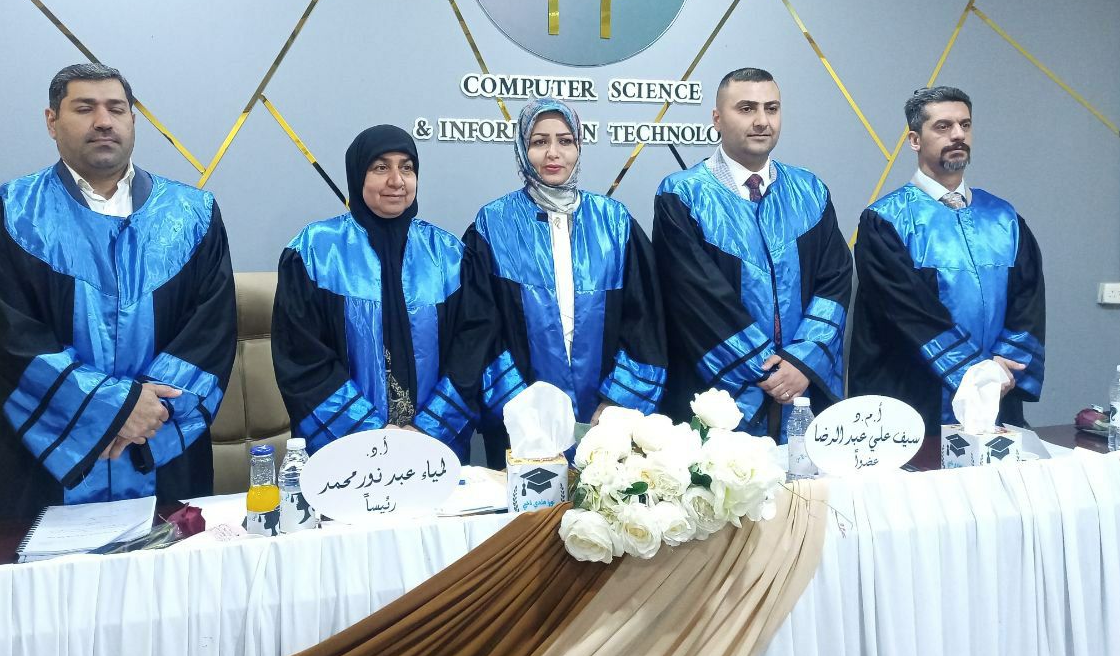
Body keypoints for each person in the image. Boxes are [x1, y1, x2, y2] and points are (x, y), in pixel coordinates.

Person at [0, 63, 236, 520]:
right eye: (84, 108)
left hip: (165, 449)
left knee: (174, 562)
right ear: (52, 121)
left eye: (116, 108)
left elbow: (211, 332)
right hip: (48, 464)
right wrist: (114, 409)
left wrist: (148, 415)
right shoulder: (8, 214)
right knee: (53, 567)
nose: (103, 121)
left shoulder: (193, 214)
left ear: (133, 120)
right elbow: (9, 340)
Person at [463, 99, 666, 468]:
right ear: (522, 149)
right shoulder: (493, 225)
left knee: (601, 501)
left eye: (565, 141)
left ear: (579, 147)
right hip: (521, 421)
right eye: (539, 142)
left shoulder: (614, 222)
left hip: (605, 423)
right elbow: (480, 329)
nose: (553, 153)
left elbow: (644, 323)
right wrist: (523, 408)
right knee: (528, 505)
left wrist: (616, 403)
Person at [653, 67, 852, 440]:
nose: (762, 121)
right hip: (721, 400)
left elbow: (836, 280)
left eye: (771, 108)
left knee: (805, 477)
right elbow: (696, 300)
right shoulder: (683, 195)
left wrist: (802, 361)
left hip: (803, 391)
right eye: (746, 108)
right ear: (717, 118)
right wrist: (767, 371)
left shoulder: (810, 191)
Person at [272, 125, 480, 460]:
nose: (397, 181)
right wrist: (374, 433)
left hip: (431, 448)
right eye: (381, 167)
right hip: (347, 452)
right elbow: (302, 357)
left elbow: (471, 351)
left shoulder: (449, 256)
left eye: (407, 168)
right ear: (357, 175)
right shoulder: (315, 252)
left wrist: (427, 429)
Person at [850, 86, 1044, 432]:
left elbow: (1028, 298)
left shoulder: (1004, 218)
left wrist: (1003, 366)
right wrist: (976, 373)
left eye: (965, 125)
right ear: (915, 140)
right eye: (943, 126)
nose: (958, 135)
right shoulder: (886, 220)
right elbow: (908, 310)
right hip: (913, 396)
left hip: (996, 393)